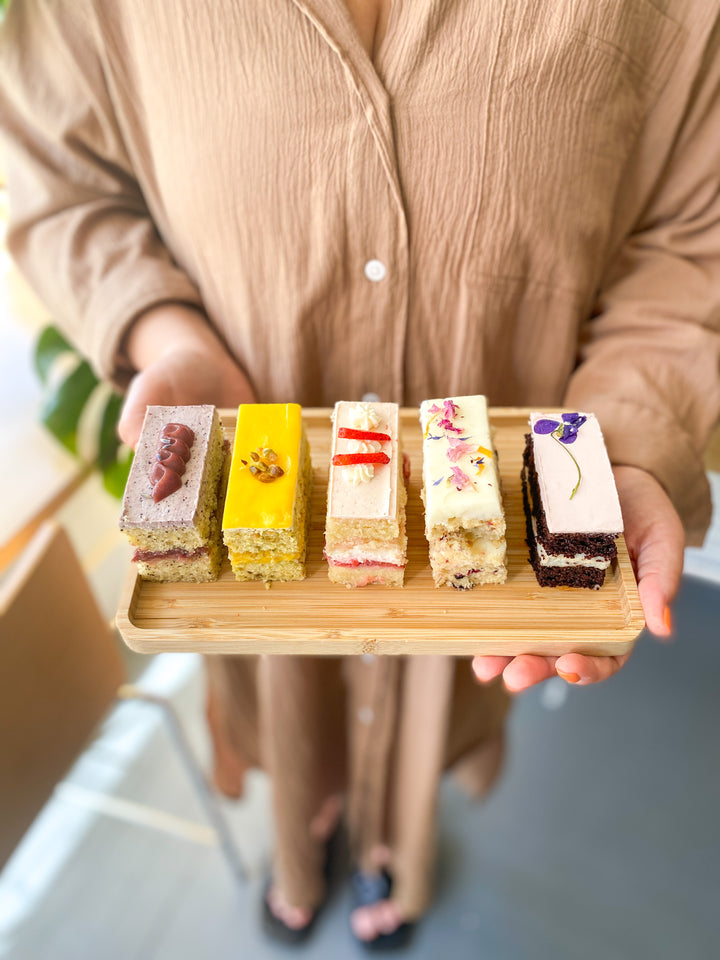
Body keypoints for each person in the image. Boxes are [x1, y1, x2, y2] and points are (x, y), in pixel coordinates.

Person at [1, 0, 719, 947]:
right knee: (289, 716)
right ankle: (305, 839)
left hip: (503, 530)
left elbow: (689, 240)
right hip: (254, 504)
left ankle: (398, 861)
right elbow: (57, 187)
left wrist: (623, 444)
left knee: (434, 714)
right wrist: (163, 332)